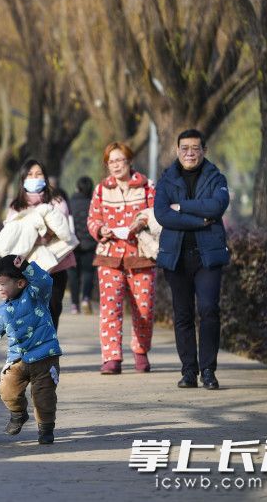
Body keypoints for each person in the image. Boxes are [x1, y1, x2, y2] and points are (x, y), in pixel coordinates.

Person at [154, 129, 230, 390]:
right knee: (183, 314)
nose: (189, 152)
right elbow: (162, 214)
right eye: (184, 148)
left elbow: (216, 207)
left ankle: (208, 370)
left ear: (203, 151)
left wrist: (183, 206)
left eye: (195, 148)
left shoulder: (216, 177)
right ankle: (189, 371)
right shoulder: (166, 179)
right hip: (176, 257)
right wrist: (200, 220)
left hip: (207, 256)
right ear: (177, 150)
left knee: (209, 310)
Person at [0, 255, 62, 445]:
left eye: (3, 283)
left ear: (21, 282)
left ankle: (46, 429)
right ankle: (18, 413)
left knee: (43, 396)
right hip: (18, 360)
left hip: (45, 357)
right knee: (7, 389)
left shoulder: (36, 295)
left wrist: (27, 266)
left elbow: (45, 281)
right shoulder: (1, 311)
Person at [87, 142, 156, 375]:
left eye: (120, 160)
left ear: (129, 161)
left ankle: (140, 352)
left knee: (144, 309)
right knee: (110, 308)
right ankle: (111, 357)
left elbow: (157, 215)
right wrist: (100, 230)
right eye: (111, 162)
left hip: (141, 255)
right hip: (109, 256)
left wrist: (142, 222)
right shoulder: (101, 189)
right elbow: (92, 219)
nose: (115, 166)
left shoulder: (147, 186)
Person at [6, 159, 76, 329]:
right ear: (23, 179)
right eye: (30, 175)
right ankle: (30, 353)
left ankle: (48, 353)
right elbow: (11, 236)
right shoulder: (16, 206)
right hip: (26, 270)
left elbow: (60, 230)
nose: (34, 178)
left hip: (55, 268)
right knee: (27, 314)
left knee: (52, 312)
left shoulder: (57, 203)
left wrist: (34, 233)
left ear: (45, 178)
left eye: (38, 174)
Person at [67, 176, 97, 315]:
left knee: (73, 275)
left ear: (77, 188)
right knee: (88, 273)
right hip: (90, 244)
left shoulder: (69, 204)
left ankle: (74, 304)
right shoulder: (93, 204)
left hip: (72, 245)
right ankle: (86, 298)